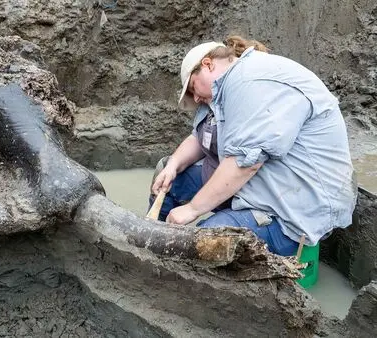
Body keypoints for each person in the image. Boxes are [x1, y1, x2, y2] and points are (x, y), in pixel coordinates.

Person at [149, 36, 357, 256]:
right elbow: (200, 138)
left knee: (204, 242)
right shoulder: (224, 92)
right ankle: (154, 248)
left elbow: (245, 164)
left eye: (192, 88)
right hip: (259, 188)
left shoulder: (251, 81)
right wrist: (173, 164)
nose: (196, 98)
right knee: (172, 183)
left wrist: (192, 209)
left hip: (292, 212)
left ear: (208, 64)